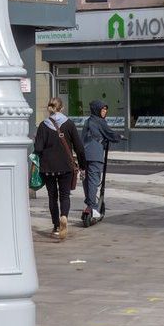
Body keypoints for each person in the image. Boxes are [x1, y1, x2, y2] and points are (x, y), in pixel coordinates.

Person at [33, 97, 85, 240]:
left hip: (48, 167)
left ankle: (56, 226)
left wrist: (37, 139)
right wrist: (82, 166)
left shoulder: (43, 125)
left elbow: (38, 148)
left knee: (52, 196)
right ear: (62, 108)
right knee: (64, 195)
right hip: (66, 166)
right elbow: (79, 148)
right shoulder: (69, 124)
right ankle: (64, 217)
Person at [78, 100, 122, 226]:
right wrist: (119, 137)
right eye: (102, 109)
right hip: (95, 155)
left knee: (86, 180)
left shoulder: (88, 121)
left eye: (105, 109)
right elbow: (110, 133)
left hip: (84, 155)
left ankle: (89, 204)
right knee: (93, 180)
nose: (104, 112)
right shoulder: (100, 121)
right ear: (97, 110)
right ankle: (92, 207)